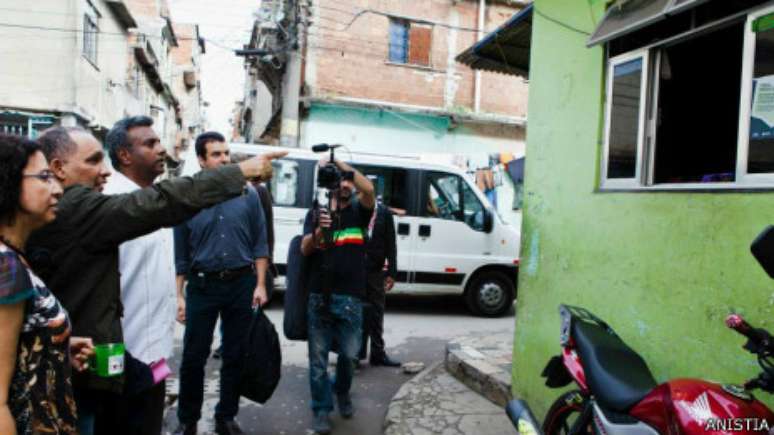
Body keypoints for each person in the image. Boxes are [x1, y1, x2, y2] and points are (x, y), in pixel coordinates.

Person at [26, 125, 285, 435]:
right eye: (94, 161)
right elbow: (164, 203)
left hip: (117, 361)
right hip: (99, 369)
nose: (104, 171)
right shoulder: (85, 207)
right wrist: (239, 172)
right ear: (58, 169)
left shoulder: (85, 206)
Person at [173, 133, 271, 435]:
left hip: (241, 283)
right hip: (202, 286)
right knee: (193, 357)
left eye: (226, 153)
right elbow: (182, 253)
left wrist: (260, 284)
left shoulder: (249, 194)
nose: (224, 159)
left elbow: (260, 242)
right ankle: (187, 420)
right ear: (202, 160)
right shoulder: (188, 197)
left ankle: (225, 416)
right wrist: (179, 295)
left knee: (236, 355)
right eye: (216, 154)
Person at [0, 133, 95, 434]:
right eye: (44, 177)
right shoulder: (6, 266)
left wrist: (54, 348)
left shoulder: (12, 257)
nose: (57, 189)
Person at [101, 116, 176, 434]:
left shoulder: (155, 198)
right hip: (121, 359)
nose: (161, 149)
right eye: (150, 143)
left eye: (159, 142)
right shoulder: (112, 203)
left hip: (155, 354)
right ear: (124, 155)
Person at [301, 156, 375, 435]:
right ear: (330, 186)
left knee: (349, 356)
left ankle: (341, 390)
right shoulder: (316, 212)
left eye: (347, 180)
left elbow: (368, 191)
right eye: (339, 180)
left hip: (351, 298)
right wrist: (320, 232)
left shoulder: (360, 211)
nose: (344, 185)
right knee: (318, 359)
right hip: (319, 295)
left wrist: (342, 165)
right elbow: (305, 250)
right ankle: (321, 408)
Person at [211, 152, 277, 361]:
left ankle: (241, 345)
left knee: (245, 309)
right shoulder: (234, 190)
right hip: (238, 258)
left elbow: (264, 230)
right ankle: (229, 343)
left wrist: (266, 261)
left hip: (250, 260)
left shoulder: (257, 192)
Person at [358, 199, 401, 367]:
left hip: (376, 272)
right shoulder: (356, 208)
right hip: (357, 270)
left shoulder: (384, 213)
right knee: (358, 312)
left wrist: (392, 272)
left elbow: (391, 244)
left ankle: (378, 354)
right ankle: (355, 354)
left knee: (377, 312)